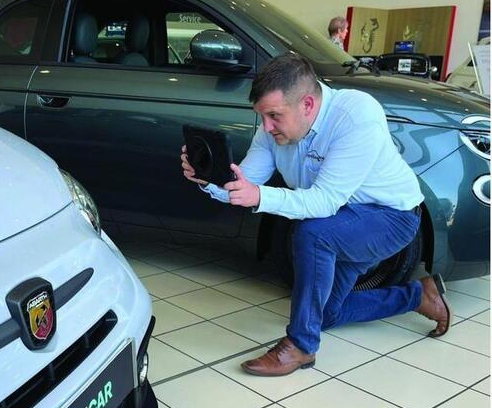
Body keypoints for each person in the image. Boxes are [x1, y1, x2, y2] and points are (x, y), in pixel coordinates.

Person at [180, 54, 451, 377]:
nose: (266, 127)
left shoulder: (356, 115)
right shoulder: (271, 130)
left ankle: (301, 346)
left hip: (391, 218)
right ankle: (419, 295)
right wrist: (209, 179)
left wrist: (260, 196)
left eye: (274, 116)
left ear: (307, 104)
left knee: (313, 233)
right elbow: (245, 183)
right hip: (343, 220)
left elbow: (324, 202)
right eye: (262, 116)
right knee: (327, 314)